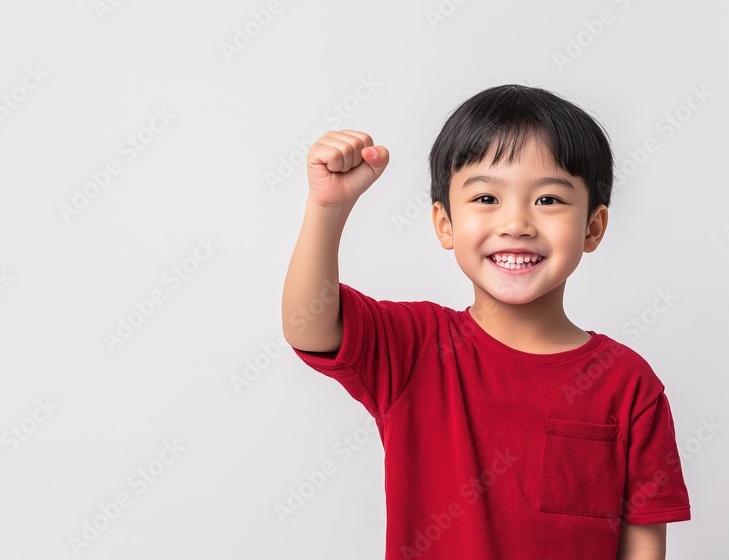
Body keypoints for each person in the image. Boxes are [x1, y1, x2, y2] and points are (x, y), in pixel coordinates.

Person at [280, 84, 691, 560]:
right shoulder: (415, 348)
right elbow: (307, 325)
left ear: (593, 227)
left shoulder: (628, 384)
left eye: (549, 200)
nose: (516, 223)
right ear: (445, 224)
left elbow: (643, 547)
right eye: (486, 198)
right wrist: (327, 209)